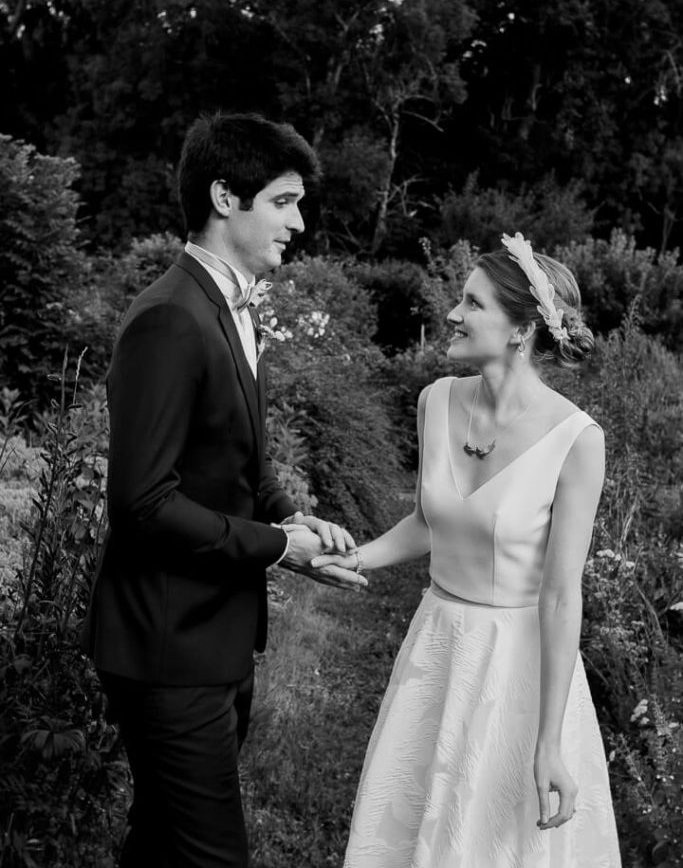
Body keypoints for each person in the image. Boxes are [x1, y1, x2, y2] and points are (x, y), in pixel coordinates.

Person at [82, 111, 366, 868]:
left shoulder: (231, 309)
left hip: (213, 638)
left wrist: (287, 513)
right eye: (283, 201)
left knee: (160, 846)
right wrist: (279, 549)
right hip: (165, 647)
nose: (298, 224)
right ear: (223, 196)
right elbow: (141, 501)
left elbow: (236, 460)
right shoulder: (171, 317)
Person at [312, 232, 622, 867]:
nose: (452, 314)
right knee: (408, 830)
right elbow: (431, 523)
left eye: (472, 303)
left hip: (517, 668)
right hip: (436, 645)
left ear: (520, 330)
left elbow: (563, 596)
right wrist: (354, 557)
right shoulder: (437, 401)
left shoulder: (576, 441)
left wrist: (550, 740)